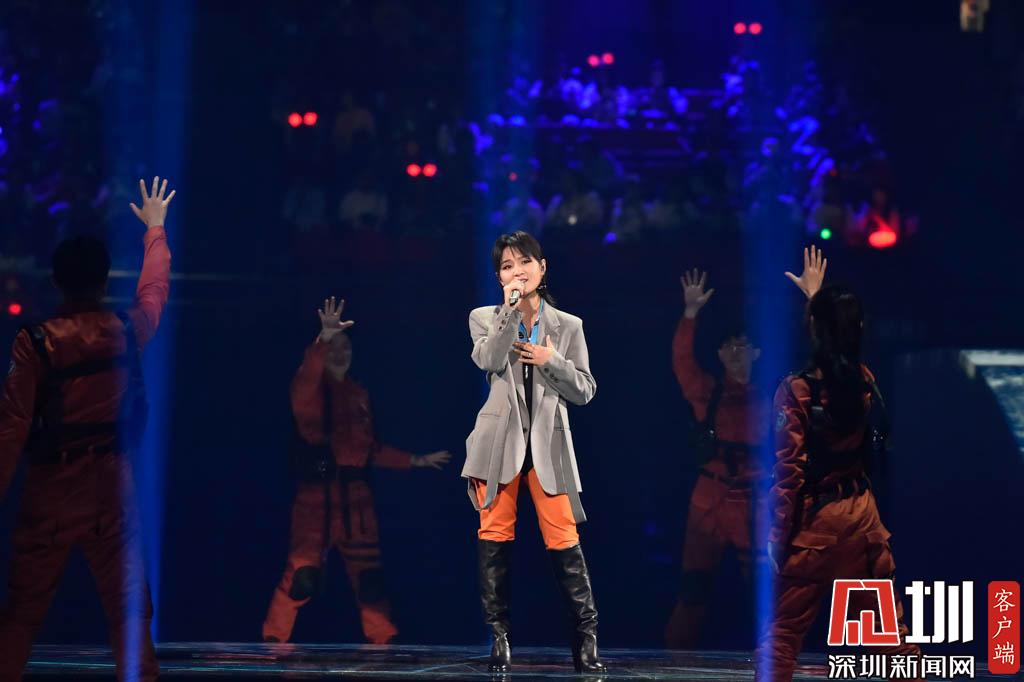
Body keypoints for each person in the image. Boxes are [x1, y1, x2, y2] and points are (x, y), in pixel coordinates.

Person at [0, 177, 174, 681]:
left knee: (22, 614)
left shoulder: (36, 342)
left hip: (53, 491)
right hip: (110, 491)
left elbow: (11, 428)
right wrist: (155, 229)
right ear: (103, 281)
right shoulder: (123, 330)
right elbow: (154, 294)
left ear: (57, 282)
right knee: (129, 612)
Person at [755, 249, 921, 682]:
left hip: (816, 528)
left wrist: (776, 535)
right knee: (891, 638)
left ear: (813, 327)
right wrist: (817, 300)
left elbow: (788, 473)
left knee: (781, 639)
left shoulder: (797, 391)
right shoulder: (864, 380)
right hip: (862, 520)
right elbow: (838, 343)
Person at [262, 297, 450, 645]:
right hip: (317, 501)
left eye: (345, 347)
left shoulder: (358, 393)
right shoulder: (310, 391)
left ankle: (383, 645)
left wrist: (415, 461)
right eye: (334, 348)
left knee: (369, 581)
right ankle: (273, 643)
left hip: (357, 503)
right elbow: (306, 377)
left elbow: (369, 449)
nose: (340, 354)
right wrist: (323, 339)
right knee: (302, 576)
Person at [463, 231, 604, 674]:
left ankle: (586, 640)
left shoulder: (569, 326)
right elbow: (489, 360)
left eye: (525, 262)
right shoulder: (484, 317)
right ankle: (499, 638)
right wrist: (508, 312)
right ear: (499, 278)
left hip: (549, 446)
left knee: (564, 539)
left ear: (542, 268)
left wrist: (551, 360)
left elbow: (585, 390)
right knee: (494, 538)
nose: (517, 271)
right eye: (507, 266)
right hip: (497, 444)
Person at [664, 267, 775, 649]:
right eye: (729, 347)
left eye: (742, 346)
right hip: (709, 501)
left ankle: (775, 657)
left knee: (766, 592)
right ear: (719, 354)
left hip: (756, 503)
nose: (735, 353)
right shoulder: (708, 391)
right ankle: (676, 660)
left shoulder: (774, 395)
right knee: (693, 588)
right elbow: (682, 362)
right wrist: (690, 314)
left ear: (757, 352)